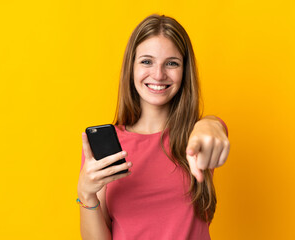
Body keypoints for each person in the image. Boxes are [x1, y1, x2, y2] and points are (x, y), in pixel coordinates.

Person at [77, 14, 230, 240]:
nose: (158, 74)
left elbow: (214, 131)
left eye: (171, 63)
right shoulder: (107, 147)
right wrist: (86, 195)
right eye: (147, 61)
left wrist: (211, 124)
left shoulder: (197, 138)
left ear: (184, 71)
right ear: (131, 67)